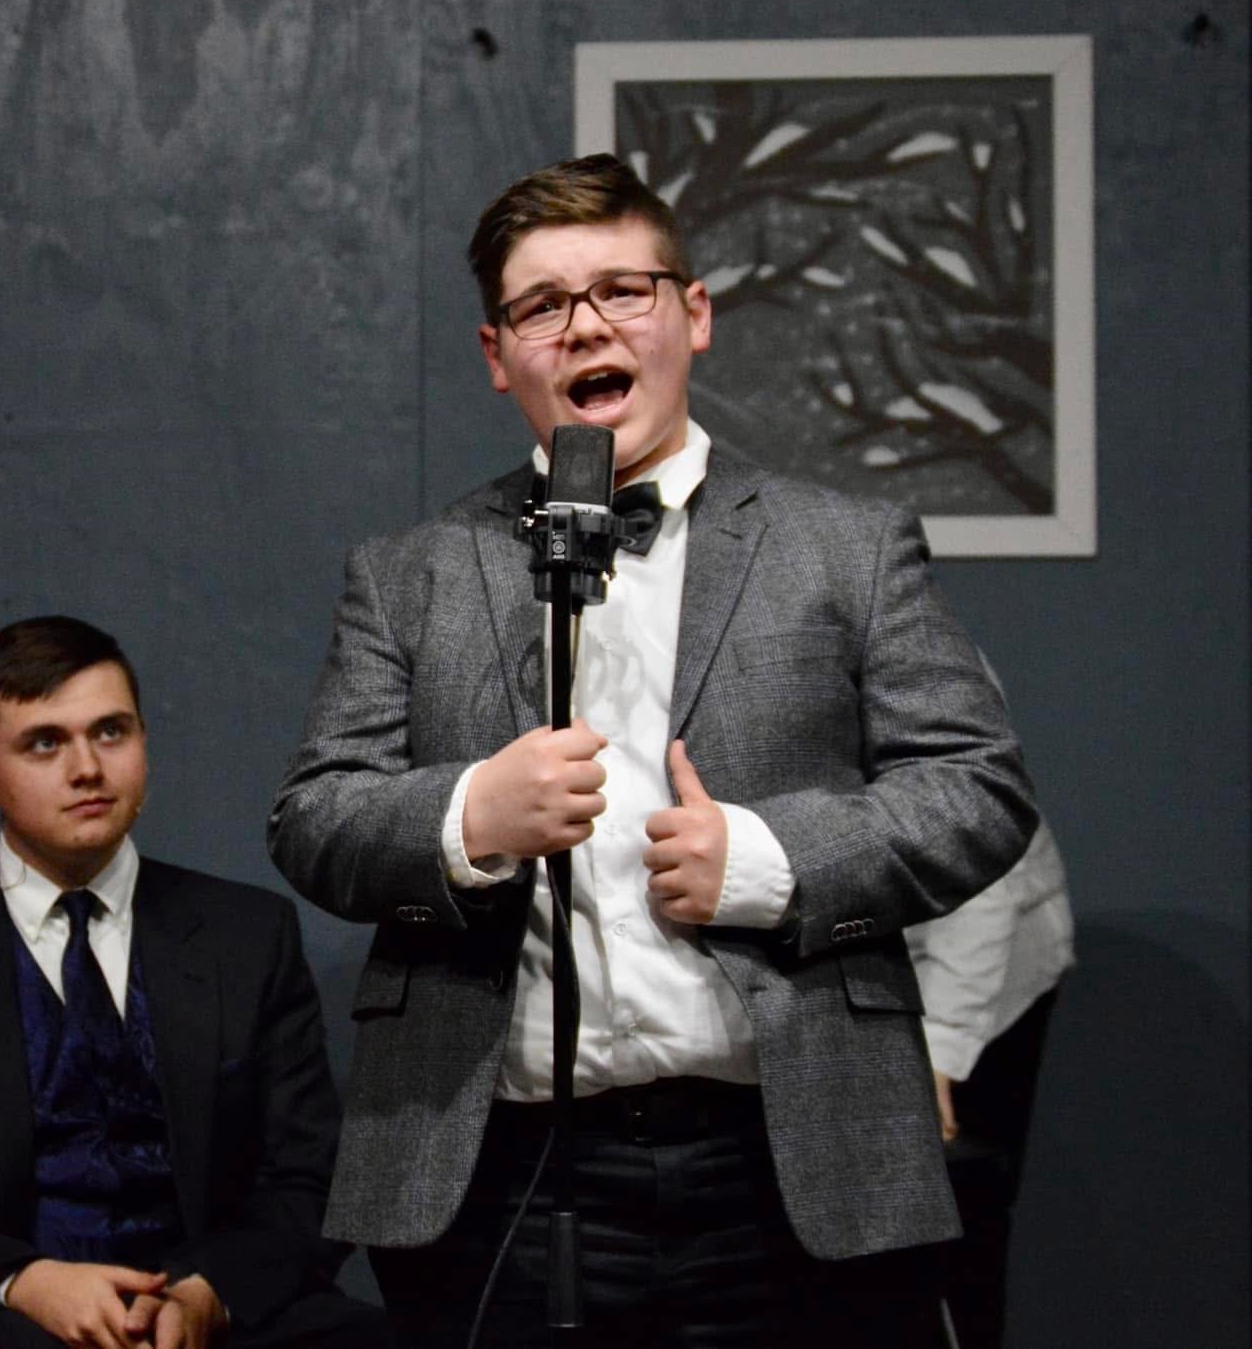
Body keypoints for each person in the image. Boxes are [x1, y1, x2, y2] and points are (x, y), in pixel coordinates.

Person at [268, 154, 1038, 1347]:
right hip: (501, 1172)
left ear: (693, 315)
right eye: (541, 306)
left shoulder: (845, 547)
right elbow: (314, 817)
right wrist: (468, 817)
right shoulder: (408, 572)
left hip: (787, 1162)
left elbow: (976, 788)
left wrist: (768, 862)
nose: (585, 327)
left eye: (622, 291)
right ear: (496, 355)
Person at [0, 616, 390, 1349]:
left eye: (111, 732)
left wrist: (208, 1294)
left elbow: (312, 1178)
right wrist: (24, 1283)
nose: (87, 768)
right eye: (44, 743)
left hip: (206, 1313)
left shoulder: (246, 935)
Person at [911, 814, 1075, 1349]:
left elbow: (980, 892)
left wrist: (941, 1052)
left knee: (952, 1230)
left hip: (982, 974)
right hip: (888, 968)